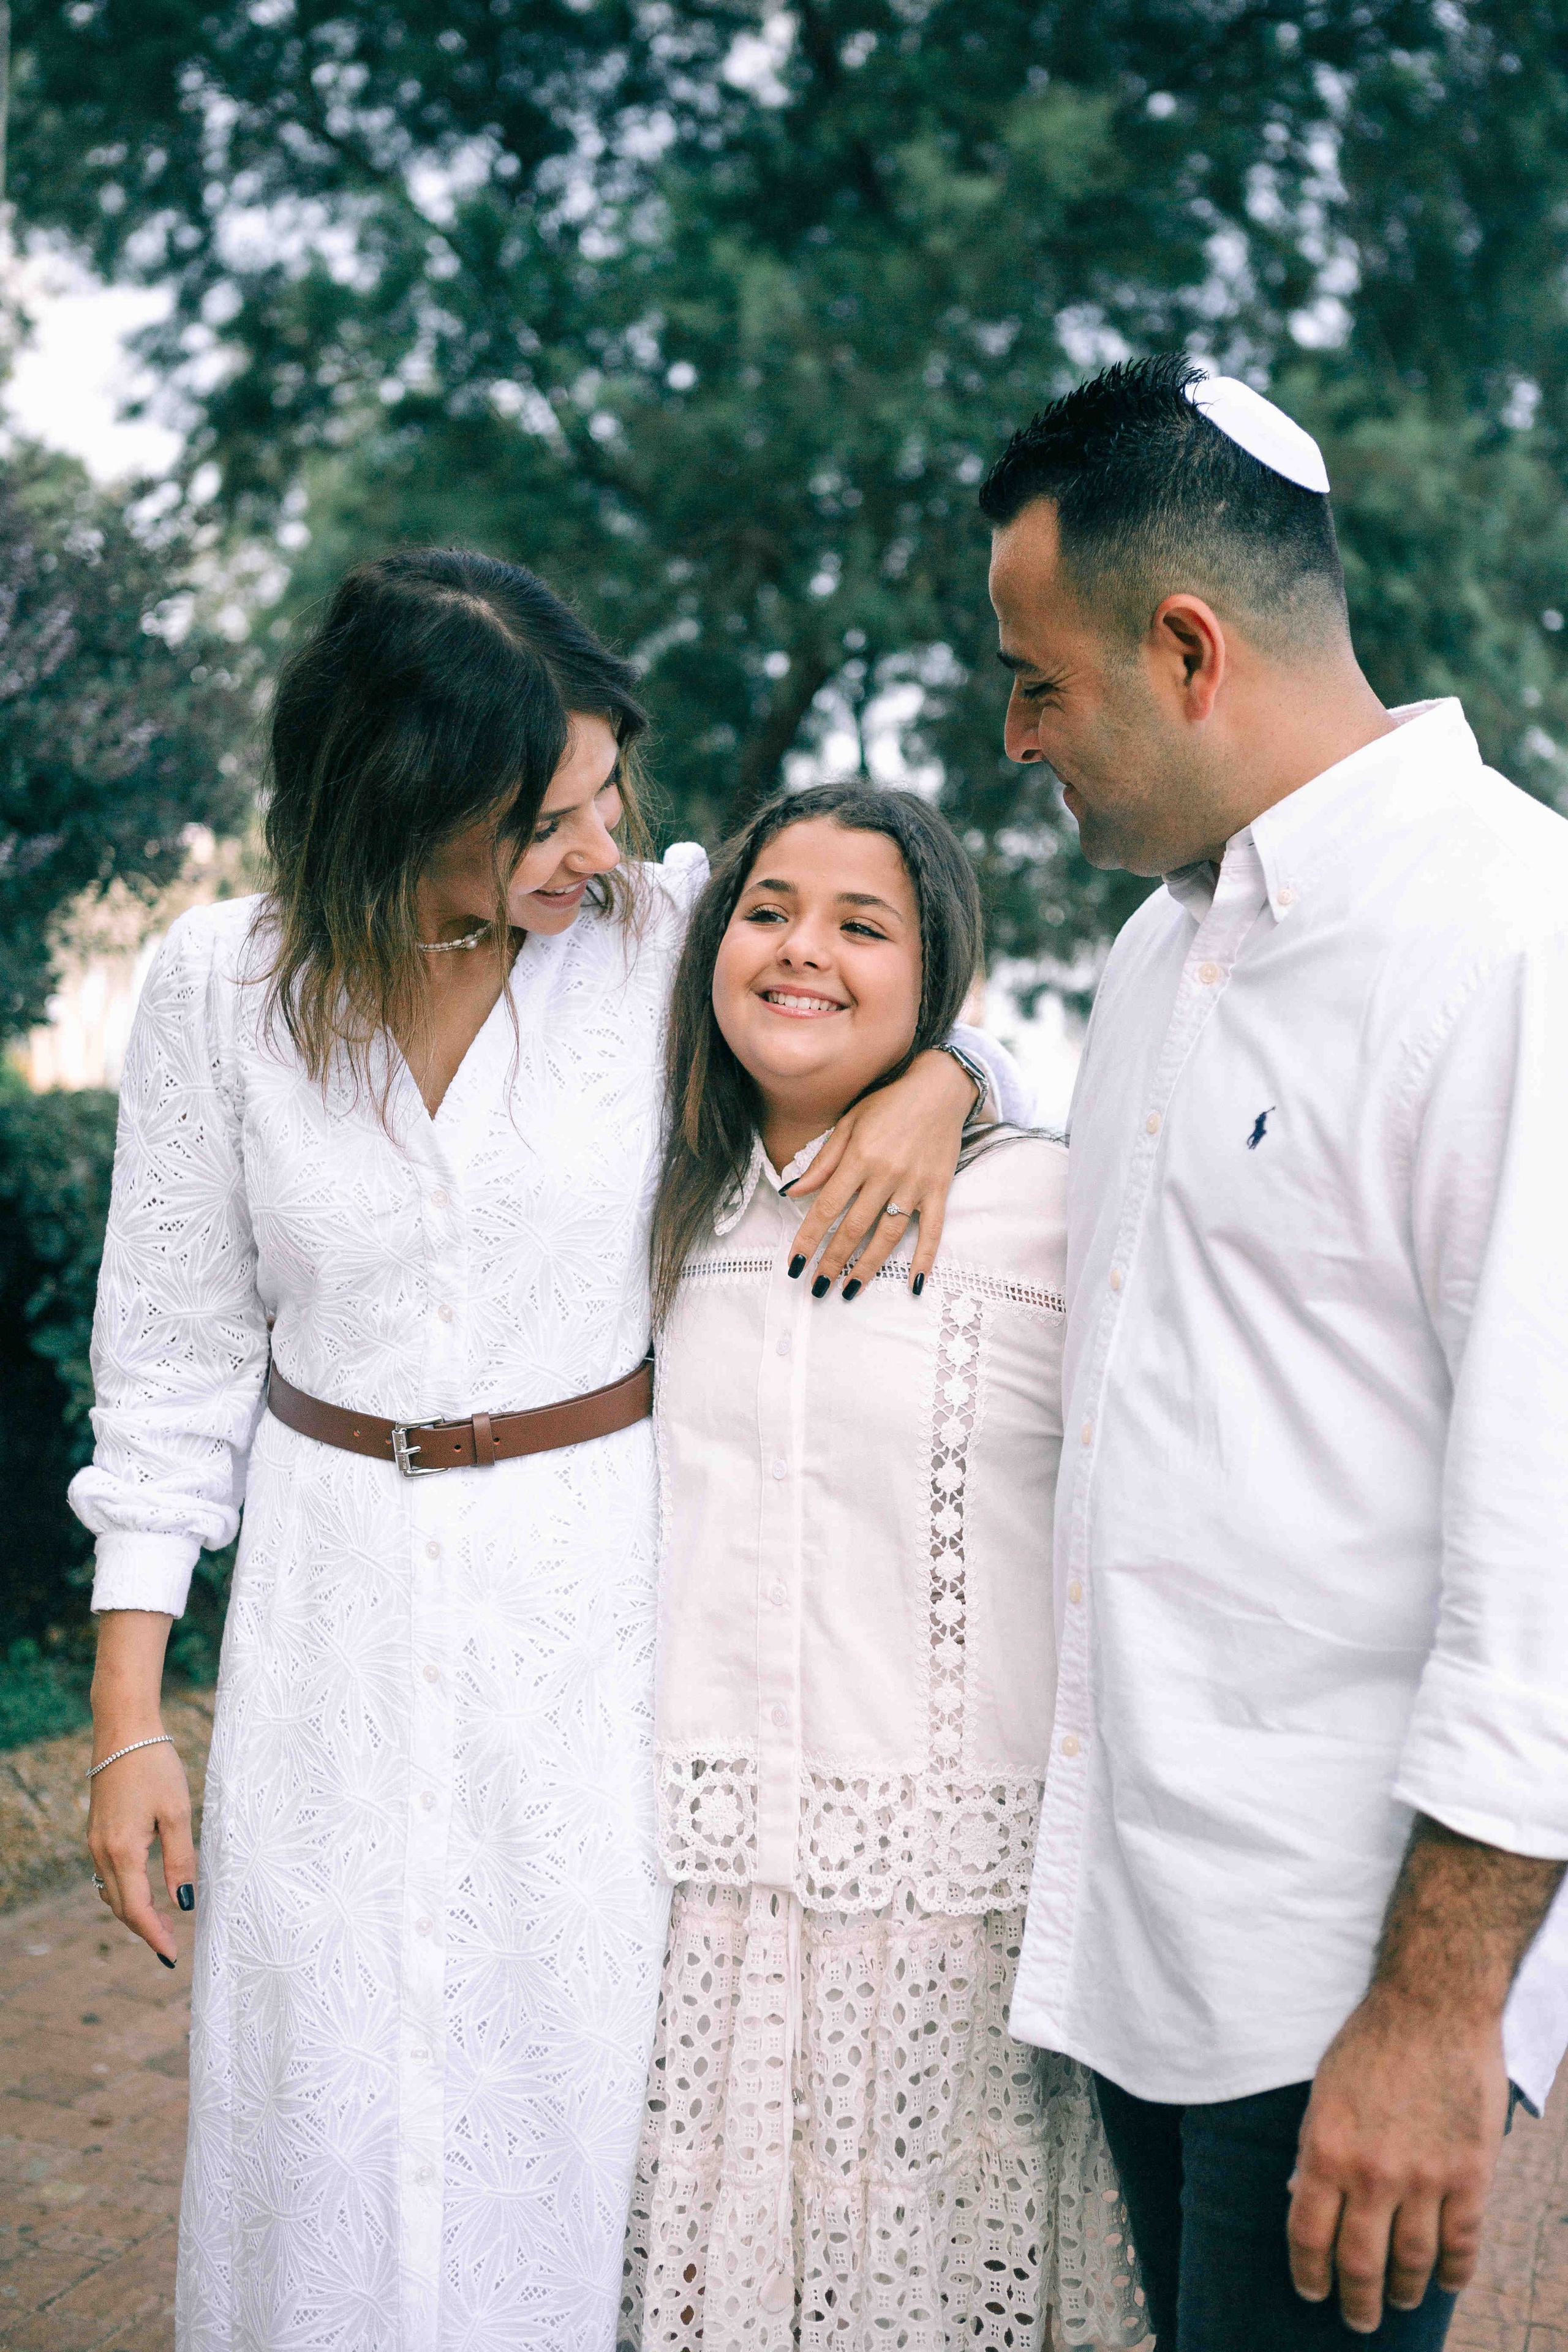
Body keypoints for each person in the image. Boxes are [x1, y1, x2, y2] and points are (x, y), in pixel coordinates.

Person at [68, 550, 1023, 2351]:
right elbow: (172, 1369)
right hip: (326, 1611)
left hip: (591, 1616)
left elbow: (922, 998)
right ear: (397, 808)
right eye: (543, 821)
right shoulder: (220, 990)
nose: (599, 848)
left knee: (565, 2101)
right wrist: (130, 1723)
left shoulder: (664, 942)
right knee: (316, 2095)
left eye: (606, 800)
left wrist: (945, 1077)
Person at [979, 356, 1568, 2348]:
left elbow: (1554, 1541)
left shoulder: (1515, 938)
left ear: (1188, 645)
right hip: (1148, 1937)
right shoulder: (1157, 952)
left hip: (1351, 1981)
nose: (1013, 735)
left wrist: (1437, 2015)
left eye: (1038, 682)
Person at [617, 783, 1148, 2352]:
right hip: (699, 1913)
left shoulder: (1047, 1206)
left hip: (953, 1923)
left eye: (866, 927)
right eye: (769, 910)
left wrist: (949, 1082)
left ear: (936, 980)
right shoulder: (650, 1206)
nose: (802, 952)